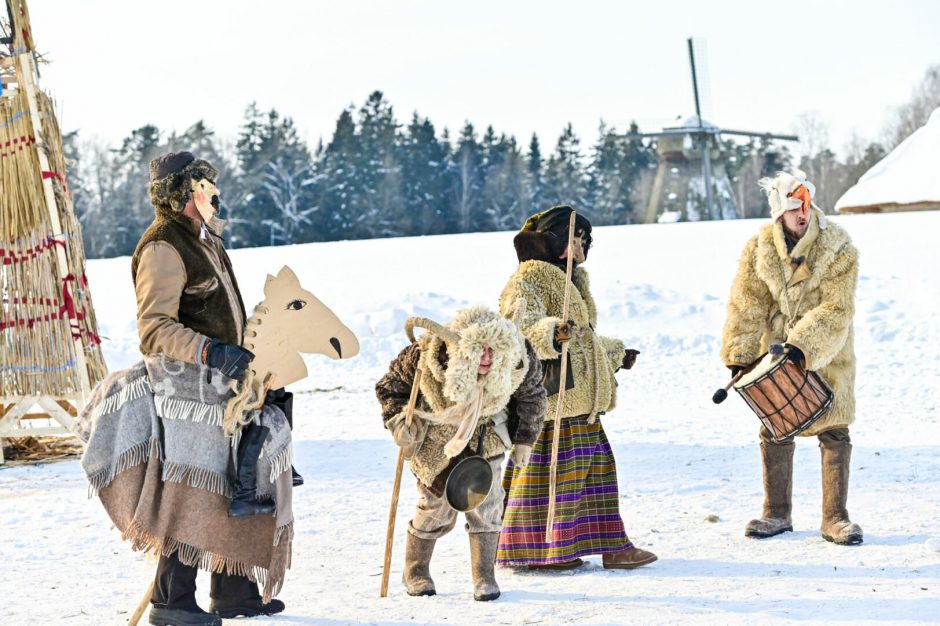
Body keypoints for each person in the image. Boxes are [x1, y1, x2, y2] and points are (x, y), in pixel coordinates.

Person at [133, 151, 285, 625]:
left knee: (233, 487)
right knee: (193, 493)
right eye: (203, 185)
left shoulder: (206, 239)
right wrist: (210, 351)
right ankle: (170, 601)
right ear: (181, 192)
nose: (215, 194)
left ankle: (233, 589)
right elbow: (154, 327)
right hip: (187, 391)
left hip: (225, 388)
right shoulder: (163, 245)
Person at [496, 205, 657, 571]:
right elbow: (515, 328)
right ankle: (538, 551)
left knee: (596, 475)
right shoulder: (529, 278)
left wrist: (615, 354)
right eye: (573, 238)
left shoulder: (571, 280)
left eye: (585, 240)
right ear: (551, 240)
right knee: (551, 477)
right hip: (552, 401)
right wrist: (552, 332)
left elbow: (583, 339)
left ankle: (610, 547)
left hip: (580, 402)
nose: (580, 247)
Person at [721, 169, 863, 545]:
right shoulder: (759, 248)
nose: (802, 213)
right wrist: (740, 352)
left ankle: (835, 517)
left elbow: (837, 308)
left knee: (834, 428)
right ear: (779, 213)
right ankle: (776, 514)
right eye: (793, 207)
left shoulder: (838, 247)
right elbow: (746, 303)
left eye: (806, 205)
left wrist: (803, 345)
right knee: (775, 424)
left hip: (825, 350)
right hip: (775, 350)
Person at [375, 307, 545, 601]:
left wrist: (524, 440)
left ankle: (484, 577)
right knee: (435, 506)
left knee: (488, 505)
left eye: (494, 351)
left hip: (486, 436)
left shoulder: (518, 357)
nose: (488, 358)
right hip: (435, 441)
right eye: (480, 350)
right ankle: (415, 571)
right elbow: (390, 387)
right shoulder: (425, 355)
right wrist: (398, 421)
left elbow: (532, 395)